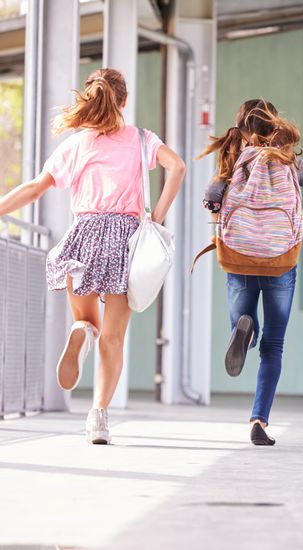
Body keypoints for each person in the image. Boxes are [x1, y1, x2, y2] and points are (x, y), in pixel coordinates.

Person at [0, 68, 185, 444]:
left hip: (83, 235)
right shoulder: (140, 139)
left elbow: (35, 188)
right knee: (113, 339)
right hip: (126, 241)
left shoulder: (76, 145)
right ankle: (98, 418)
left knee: (88, 321)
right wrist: (157, 216)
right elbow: (177, 166)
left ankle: (81, 332)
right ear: (125, 102)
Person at [196, 99, 303, 446]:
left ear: (242, 126)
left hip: (240, 255)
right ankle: (259, 419)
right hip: (280, 259)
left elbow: (213, 196)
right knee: (273, 347)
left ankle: (244, 328)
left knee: (243, 321)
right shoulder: (290, 158)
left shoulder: (233, 157)